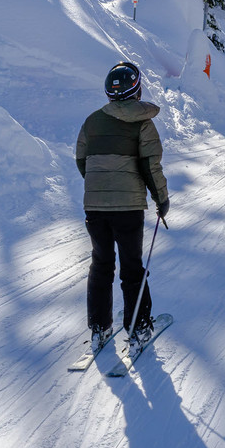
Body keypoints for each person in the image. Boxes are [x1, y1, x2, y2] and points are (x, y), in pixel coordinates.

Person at [74, 60, 169, 356]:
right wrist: (161, 200)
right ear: (137, 90)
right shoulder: (143, 122)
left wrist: (100, 187)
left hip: (95, 206)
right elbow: (150, 166)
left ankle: (99, 328)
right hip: (128, 208)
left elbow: (81, 160)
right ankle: (138, 327)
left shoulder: (91, 121)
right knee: (132, 267)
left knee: (101, 264)